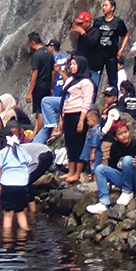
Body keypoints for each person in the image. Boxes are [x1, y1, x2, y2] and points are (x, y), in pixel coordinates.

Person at [0, 114, 54, 236]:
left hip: (8, 185)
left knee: (8, 216)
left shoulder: (2, 153)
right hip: (22, 185)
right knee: (20, 214)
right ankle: (22, 245)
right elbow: (28, 163)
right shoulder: (22, 150)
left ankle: (7, 242)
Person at [87, 115, 136, 210]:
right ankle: (104, 201)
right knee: (99, 169)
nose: (124, 135)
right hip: (123, 178)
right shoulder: (114, 148)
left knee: (127, 160)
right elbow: (112, 166)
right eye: (120, 134)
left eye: (125, 132)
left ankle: (127, 192)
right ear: (115, 137)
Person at [53, 54, 94, 184]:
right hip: (68, 114)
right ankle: (70, 171)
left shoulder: (86, 82)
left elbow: (87, 102)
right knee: (69, 143)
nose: (72, 66)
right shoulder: (71, 80)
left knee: (79, 143)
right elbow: (65, 99)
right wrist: (61, 118)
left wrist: (82, 120)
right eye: (71, 64)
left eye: (75, 64)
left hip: (78, 114)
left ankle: (78, 173)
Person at [88, 0, 129, 96]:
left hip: (111, 55)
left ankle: (114, 101)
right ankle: (91, 101)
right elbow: (93, 35)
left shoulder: (118, 22)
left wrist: (122, 49)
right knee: (94, 79)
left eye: (106, 5)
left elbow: (126, 35)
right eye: (103, 6)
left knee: (113, 80)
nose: (103, 7)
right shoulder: (98, 22)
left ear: (112, 8)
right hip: (98, 55)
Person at [25, 34, 54, 117]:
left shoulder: (36, 55)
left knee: (39, 111)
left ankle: (40, 129)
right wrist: (51, 87)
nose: (29, 46)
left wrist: (30, 92)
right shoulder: (49, 53)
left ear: (33, 42)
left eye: (29, 43)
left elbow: (35, 74)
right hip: (47, 85)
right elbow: (53, 72)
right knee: (46, 108)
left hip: (39, 86)